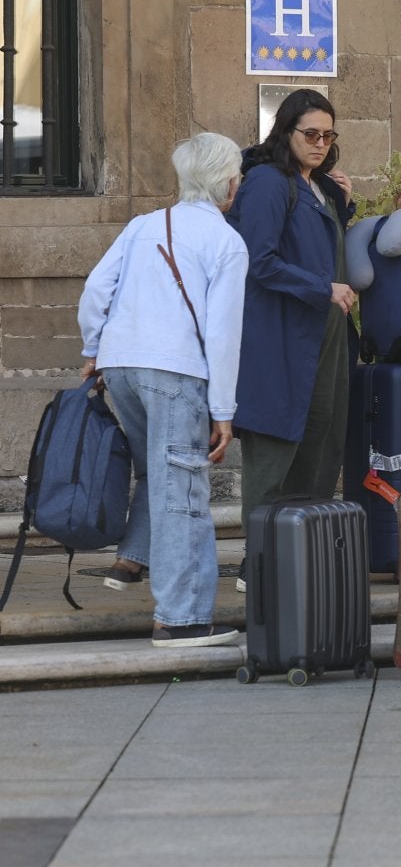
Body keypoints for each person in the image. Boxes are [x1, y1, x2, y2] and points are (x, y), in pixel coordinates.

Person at [77, 133, 249, 647]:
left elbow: (94, 291)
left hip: (122, 364)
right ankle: (182, 617)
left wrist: (94, 349)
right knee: (184, 494)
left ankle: (134, 560)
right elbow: (221, 334)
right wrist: (224, 410)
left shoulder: (142, 225)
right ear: (230, 185)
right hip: (175, 371)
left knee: (158, 472)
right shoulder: (226, 243)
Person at [226, 88, 357, 593]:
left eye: (328, 135)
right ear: (286, 131)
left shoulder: (318, 185)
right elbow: (258, 261)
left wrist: (341, 209)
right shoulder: (266, 181)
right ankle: (257, 561)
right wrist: (321, 288)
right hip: (282, 331)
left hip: (324, 332)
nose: (321, 143)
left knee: (320, 441)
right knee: (276, 444)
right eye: (311, 134)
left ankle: (300, 550)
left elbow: (316, 248)